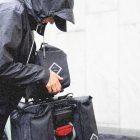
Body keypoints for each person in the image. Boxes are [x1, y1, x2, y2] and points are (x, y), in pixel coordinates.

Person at [0, 0, 74, 138]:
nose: (52, 22)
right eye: (55, 16)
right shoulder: (13, 12)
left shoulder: (25, 22)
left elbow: (16, 72)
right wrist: (43, 75)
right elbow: (2, 66)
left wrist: (43, 87)